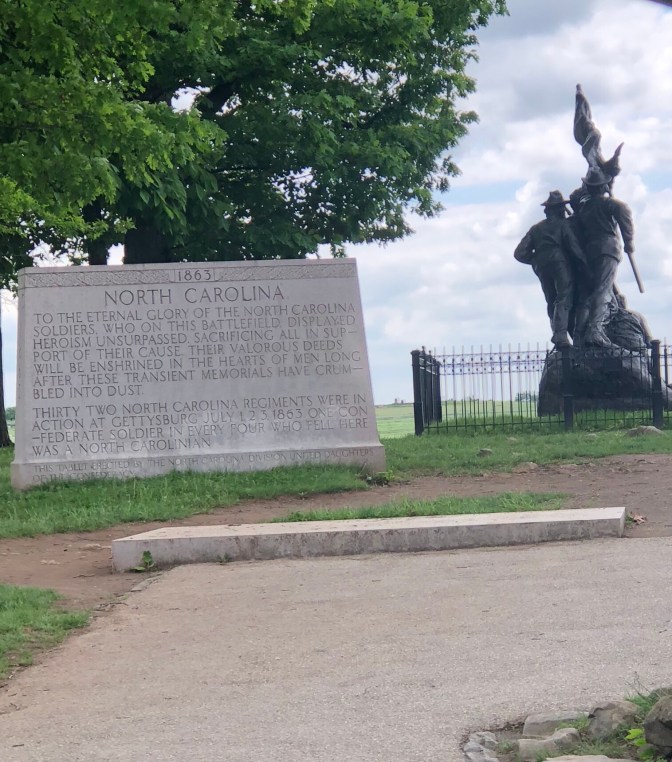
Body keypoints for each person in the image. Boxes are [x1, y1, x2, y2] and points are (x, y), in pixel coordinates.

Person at [571, 166, 635, 347]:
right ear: (603, 186)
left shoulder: (583, 208)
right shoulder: (612, 204)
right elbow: (625, 217)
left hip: (589, 252)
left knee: (589, 292)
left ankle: (578, 334)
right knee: (603, 290)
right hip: (607, 250)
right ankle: (595, 330)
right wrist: (629, 242)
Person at [514, 190, 587, 348]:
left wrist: (535, 260)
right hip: (560, 263)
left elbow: (519, 253)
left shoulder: (535, 229)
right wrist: (584, 263)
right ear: (559, 209)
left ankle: (557, 332)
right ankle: (560, 335)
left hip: (541, 266)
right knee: (564, 297)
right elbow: (573, 247)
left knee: (551, 299)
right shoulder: (563, 225)